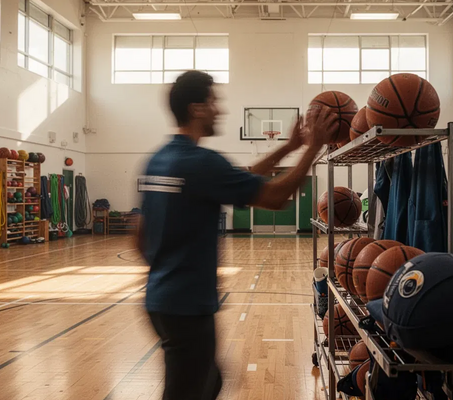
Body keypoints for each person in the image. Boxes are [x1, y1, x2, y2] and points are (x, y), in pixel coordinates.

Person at [137, 70, 335, 400]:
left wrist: (288, 147)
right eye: (215, 101)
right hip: (187, 305)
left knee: (209, 381)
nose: (221, 109)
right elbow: (275, 198)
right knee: (188, 391)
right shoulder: (201, 163)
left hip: (159, 301)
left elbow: (138, 237)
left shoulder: (158, 161)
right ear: (197, 108)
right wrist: (312, 149)